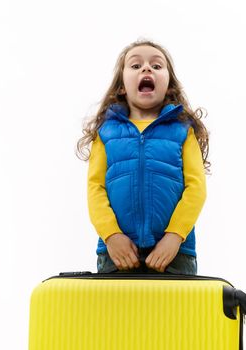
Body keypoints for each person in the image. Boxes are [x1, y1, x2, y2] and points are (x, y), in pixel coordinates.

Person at [76, 39, 210, 275]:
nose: (147, 68)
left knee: (174, 313)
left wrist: (174, 237)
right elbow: (95, 187)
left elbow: (196, 187)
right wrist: (112, 236)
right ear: (122, 86)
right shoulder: (106, 132)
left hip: (175, 253)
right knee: (117, 313)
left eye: (157, 66)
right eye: (136, 66)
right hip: (116, 253)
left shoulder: (182, 130)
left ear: (169, 86)